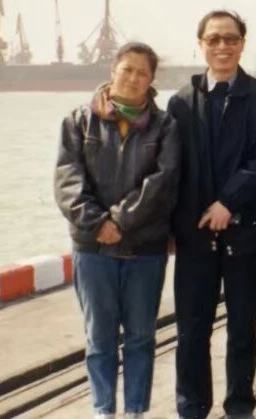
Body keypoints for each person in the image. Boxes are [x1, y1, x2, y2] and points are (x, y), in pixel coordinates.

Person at [167, 10, 256, 419]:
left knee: (243, 330)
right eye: (213, 39)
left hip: (247, 234)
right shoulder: (181, 102)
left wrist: (228, 203)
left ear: (242, 44)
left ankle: (239, 407)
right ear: (201, 44)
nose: (222, 46)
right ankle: (191, 408)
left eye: (231, 39)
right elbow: (172, 168)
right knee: (191, 331)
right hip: (196, 235)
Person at [54, 42, 181, 419]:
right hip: (93, 249)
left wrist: (120, 221)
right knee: (99, 337)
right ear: (113, 70)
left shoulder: (165, 126)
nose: (133, 78)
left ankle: (136, 410)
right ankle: (104, 409)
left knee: (141, 336)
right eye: (127, 69)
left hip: (145, 249)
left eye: (143, 73)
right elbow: (67, 180)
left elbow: (163, 182)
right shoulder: (78, 121)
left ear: (152, 80)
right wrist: (97, 223)